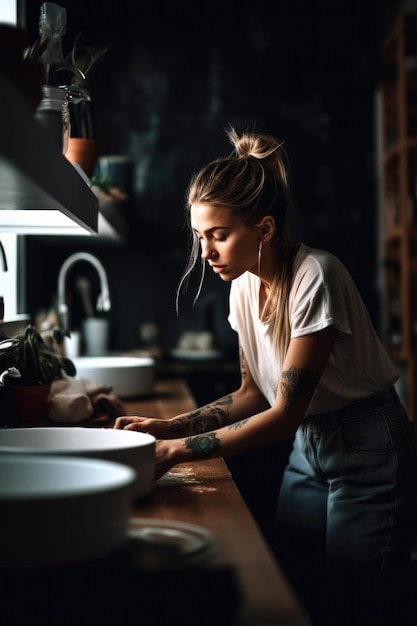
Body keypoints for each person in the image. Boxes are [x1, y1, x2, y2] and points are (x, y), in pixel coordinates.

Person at [114, 127, 417, 625]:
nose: (208, 252)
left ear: (265, 228)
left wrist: (175, 453)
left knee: (353, 604)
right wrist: (168, 428)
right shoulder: (242, 287)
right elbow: (252, 393)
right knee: (292, 585)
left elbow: (282, 414)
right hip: (309, 447)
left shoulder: (315, 276)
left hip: (369, 450)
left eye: (219, 234)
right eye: (200, 237)